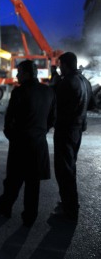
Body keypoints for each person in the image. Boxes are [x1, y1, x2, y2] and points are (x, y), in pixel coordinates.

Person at [0, 60, 56, 227]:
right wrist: (40, 133)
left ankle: (5, 209)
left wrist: (13, 136)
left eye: (19, 72)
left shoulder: (19, 92)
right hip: (39, 144)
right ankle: (29, 218)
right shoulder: (48, 92)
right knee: (33, 184)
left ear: (27, 74)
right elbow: (51, 119)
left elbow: (9, 120)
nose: (17, 75)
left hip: (20, 144)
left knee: (13, 180)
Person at [53, 52, 94, 220]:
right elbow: (92, 104)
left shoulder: (67, 82)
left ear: (66, 65)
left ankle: (69, 208)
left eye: (60, 65)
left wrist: (54, 85)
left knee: (64, 170)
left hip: (65, 130)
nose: (59, 68)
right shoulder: (85, 82)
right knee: (70, 167)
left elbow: (56, 104)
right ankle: (70, 203)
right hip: (77, 130)